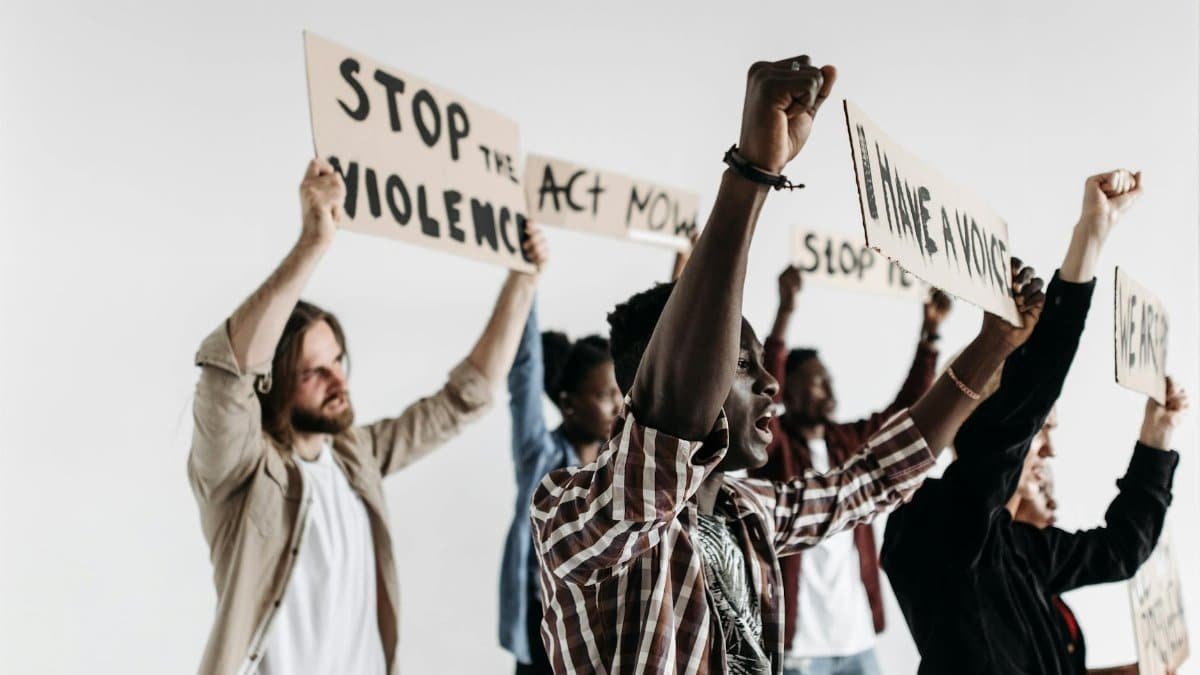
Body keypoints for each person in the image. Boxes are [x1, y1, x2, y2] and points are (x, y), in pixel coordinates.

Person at [529, 54, 1045, 674]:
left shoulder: (748, 512)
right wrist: (751, 174)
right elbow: (669, 428)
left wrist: (995, 342)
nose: (769, 379)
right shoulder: (572, 511)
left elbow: (874, 477)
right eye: (741, 365)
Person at [187, 158, 549, 675]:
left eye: (338, 360)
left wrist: (523, 279)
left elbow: (464, 399)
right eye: (315, 372)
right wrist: (313, 243)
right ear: (275, 383)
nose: (339, 380)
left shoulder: (355, 456)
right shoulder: (239, 472)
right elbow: (227, 375)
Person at [880, 170, 1184, 675]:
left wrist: (1158, 437)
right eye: (1040, 433)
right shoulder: (931, 524)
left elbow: (1122, 549)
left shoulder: (1021, 550)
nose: (1047, 452)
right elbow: (1018, 411)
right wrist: (1089, 239)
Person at [751, 266, 951, 675]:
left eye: (829, 380)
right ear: (789, 391)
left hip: (857, 640)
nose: (829, 390)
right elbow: (764, 399)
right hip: (799, 649)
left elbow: (908, 412)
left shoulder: (849, 441)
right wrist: (784, 314)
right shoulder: (776, 448)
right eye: (817, 382)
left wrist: (929, 336)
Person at [501, 246, 689, 674]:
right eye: (604, 396)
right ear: (568, 405)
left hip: (604, 628)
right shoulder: (540, 457)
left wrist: (679, 283)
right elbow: (524, 372)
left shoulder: (618, 462)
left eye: (618, 395)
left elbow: (652, 367)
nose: (617, 406)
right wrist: (527, 278)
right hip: (542, 626)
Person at [1014, 415, 1184, 675]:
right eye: (1042, 488)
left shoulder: (1033, 571)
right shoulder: (998, 558)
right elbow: (1121, 549)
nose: (1054, 505)